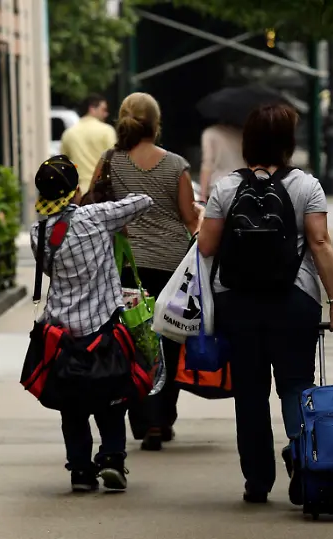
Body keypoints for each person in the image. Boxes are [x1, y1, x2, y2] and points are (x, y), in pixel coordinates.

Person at [198, 103, 333, 504]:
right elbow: (320, 244)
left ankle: (257, 481)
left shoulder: (227, 188)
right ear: (288, 144)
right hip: (294, 299)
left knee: (249, 393)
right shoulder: (306, 186)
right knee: (296, 386)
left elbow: (207, 246)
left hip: (238, 303)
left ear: (248, 143)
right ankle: (303, 460)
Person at [29, 154, 153, 492]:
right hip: (103, 329)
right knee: (112, 396)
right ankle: (113, 458)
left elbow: (49, 272)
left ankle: (81, 471)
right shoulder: (96, 217)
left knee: (72, 408)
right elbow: (144, 201)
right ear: (76, 190)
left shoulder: (38, 233)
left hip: (62, 336)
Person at [90, 92, 204, 451]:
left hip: (125, 268)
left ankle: (139, 418)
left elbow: (94, 206)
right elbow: (189, 218)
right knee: (168, 343)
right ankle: (160, 419)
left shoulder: (109, 162)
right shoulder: (176, 165)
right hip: (170, 269)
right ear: (156, 124)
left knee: (130, 345)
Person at [60, 94, 118, 194]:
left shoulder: (69, 133)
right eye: (103, 109)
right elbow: (115, 161)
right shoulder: (107, 131)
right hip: (101, 193)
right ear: (92, 109)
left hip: (78, 193)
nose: (106, 114)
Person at [199, 123, 244, 201]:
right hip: (243, 186)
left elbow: (207, 164)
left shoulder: (210, 133)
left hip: (220, 189)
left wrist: (202, 195)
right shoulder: (241, 132)